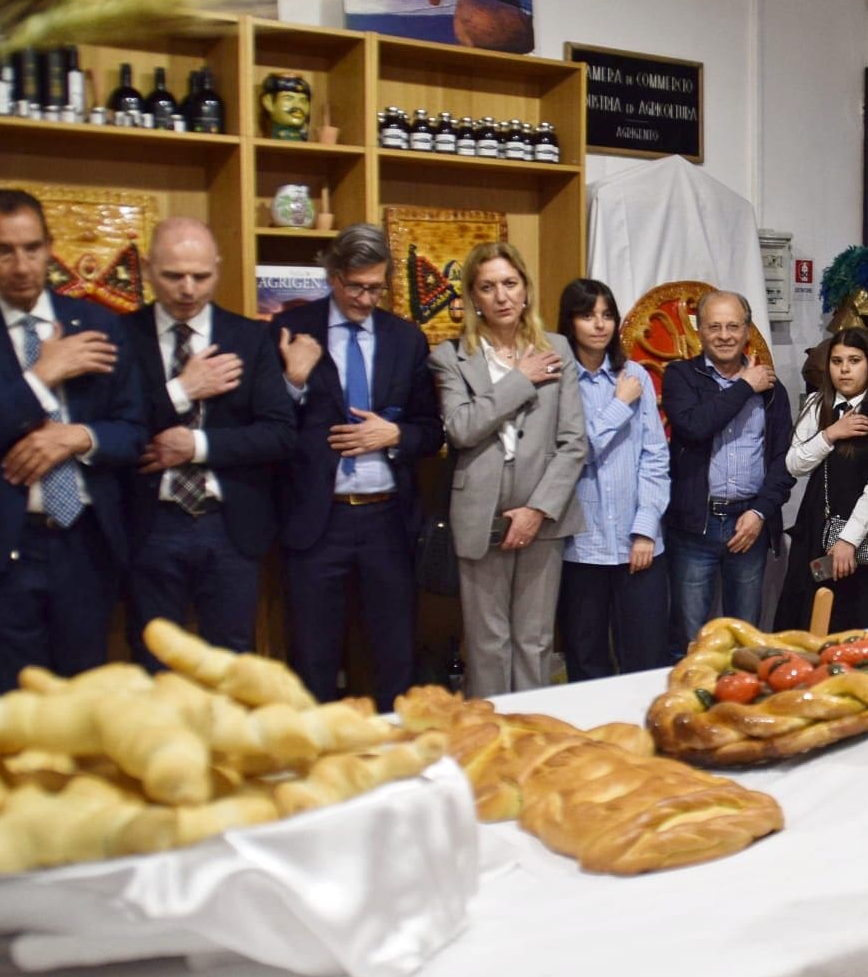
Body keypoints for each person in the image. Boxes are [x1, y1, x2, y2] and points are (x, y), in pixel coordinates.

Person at [0, 188, 146, 691]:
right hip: (2, 548)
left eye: (32, 248)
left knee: (81, 699)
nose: (22, 266)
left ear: (50, 246)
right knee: (12, 704)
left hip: (86, 543)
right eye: (3, 251)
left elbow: (134, 432)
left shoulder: (100, 325)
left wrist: (78, 438)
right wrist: (41, 377)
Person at [274, 224, 443, 710]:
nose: (366, 299)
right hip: (316, 519)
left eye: (376, 288)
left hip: (387, 519)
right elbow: (266, 428)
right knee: (313, 657)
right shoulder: (291, 329)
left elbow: (431, 430)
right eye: (356, 287)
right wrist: (292, 381)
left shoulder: (405, 339)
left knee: (395, 655)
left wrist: (396, 435)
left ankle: (396, 747)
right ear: (333, 277)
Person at [122, 218, 294, 665]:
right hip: (149, 525)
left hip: (228, 526)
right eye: (173, 275)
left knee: (230, 665)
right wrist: (181, 391)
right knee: (154, 662)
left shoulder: (250, 338)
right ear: (147, 268)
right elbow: (112, 428)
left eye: (201, 276)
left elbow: (279, 434)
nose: (188, 289)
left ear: (217, 267)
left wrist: (196, 446)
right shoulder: (121, 336)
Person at [429, 242, 585, 698]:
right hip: (480, 513)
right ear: (473, 297)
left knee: (535, 641)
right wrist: (521, 380)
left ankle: (533, 728)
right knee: (487, 644)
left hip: (543, 513)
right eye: (488, 287)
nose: (501, 296)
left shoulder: (556, 349)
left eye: (510, 283)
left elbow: (574, 441)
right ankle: (492, 731)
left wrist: (537, 510)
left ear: (526, 290)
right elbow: (461, 428)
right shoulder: (451, 356)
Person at [660, 291, 794, 655]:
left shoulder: (772, 389)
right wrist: (745, 386)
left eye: (733, 326)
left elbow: (784, 461)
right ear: (700, 331)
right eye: (714, 326)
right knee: (689, 642)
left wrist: (760, 513)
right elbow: (694, 427)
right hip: (694, 526)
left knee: (745, 641)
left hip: (749, 525)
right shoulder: (681, 376)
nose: (724, 335)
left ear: (747, 330)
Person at [558, 279, 670, 679]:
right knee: (586, 658)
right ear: (569, 322)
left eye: (607, 315)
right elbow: (573, 454)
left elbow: (655, 458)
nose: (599, 324)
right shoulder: (558, 380)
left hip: (637, 540)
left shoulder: (634, 374)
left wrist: (645, 529)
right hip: (580, 545)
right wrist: (620, 405)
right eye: (587, 315)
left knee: (646, 657)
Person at [775, 327, 868, 633]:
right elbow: (794, 464)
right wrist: (830, 434)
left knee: (865, 619)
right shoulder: (817, 405)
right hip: (818, 522)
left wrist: (848, 539)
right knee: (813, 617)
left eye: (854, 360)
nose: (844, 369)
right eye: (837, 361)